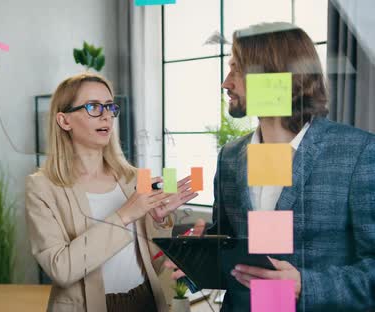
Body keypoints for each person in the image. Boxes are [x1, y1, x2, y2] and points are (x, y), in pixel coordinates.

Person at [167, 22, 375, 311]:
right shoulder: (230, 156)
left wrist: (305, 285)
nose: (226, 82)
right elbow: (230, 244)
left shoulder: (357, 152)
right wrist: (197, 257)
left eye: (237, 69)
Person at [25, 73, 198, 312]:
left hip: (145, 301)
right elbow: (61, 269)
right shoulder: (42, 187)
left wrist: (159, 222)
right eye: (93, 107)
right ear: (64, 121)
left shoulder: (137, 178)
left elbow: (155, 266)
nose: (106, 115)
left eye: (109, 106)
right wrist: (125, 214)